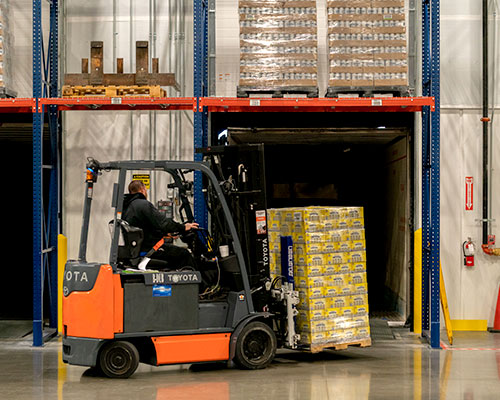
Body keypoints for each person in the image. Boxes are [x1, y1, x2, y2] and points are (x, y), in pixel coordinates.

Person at [122, 180, 199, 270]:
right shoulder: (144, 204)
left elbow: (146, 228)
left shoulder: (128, 207)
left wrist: (166, 234)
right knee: (184, 254)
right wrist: (184, 227)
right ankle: (197, 283)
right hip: (150, 250)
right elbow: (164, 223)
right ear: (143, 190)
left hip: (139, 248)